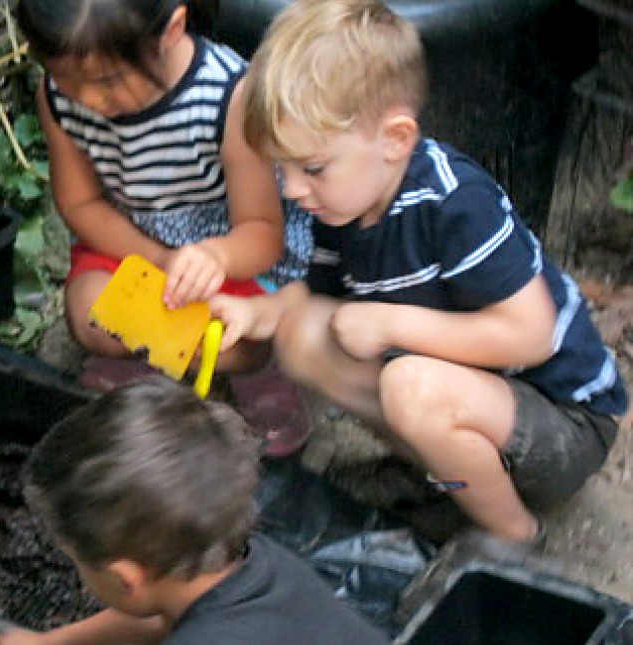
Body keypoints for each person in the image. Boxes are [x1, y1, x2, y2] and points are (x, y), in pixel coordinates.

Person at [210, 0, 628, 543]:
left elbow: (531, 336)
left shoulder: (455, 205)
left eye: (311, 167)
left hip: (562, 428)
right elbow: (312, 296)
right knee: (303, 334)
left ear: (395, 139)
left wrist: (388, 324)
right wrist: (254, 310)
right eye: (281, 168)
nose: (291, 189)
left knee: (411, 386)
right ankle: (451, 477)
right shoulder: (344, 205)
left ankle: (511, 533)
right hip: (472, 405)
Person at [14, 0, 312, 374]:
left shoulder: (230, 97)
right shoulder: (59, 97)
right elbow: (80, 204)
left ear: (171, 31)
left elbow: (263, 233)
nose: (87, 99)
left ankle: (255, 374)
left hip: (228, 260)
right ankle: (152, 360)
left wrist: (215, 258)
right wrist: (156, 259)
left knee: (232, 344)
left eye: (108, 80)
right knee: (91, 314)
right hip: (128, 243)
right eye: (62, 76)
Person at [0, 378, 389, 645]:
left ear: (123, 577)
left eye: (78, 562)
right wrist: (49, 643)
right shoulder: (256, 566)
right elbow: (158, 618)